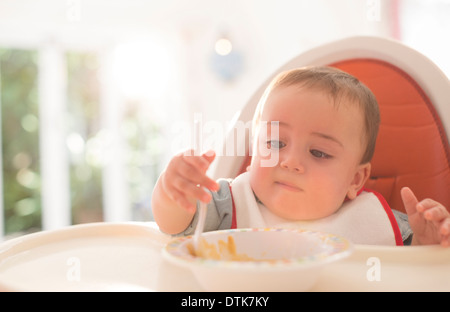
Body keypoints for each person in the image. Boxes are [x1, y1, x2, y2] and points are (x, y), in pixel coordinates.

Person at [151, 66, 450, 247]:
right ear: (254, 150)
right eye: (275, 142)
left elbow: (414, 270)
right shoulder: (230, 205)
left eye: (318, 152)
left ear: (355, 179)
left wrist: (426, 243)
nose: (290, 161)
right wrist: (172, 192)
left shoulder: (375, 221)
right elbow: (176, 226)